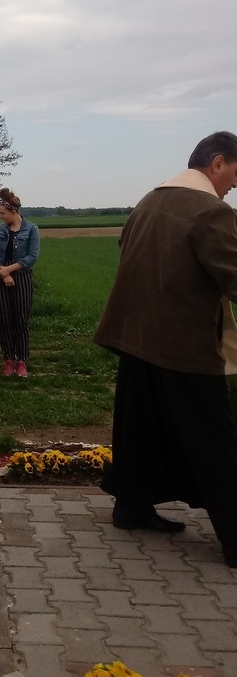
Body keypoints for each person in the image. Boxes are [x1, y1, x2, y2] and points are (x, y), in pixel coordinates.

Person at [94, 132, 237, 564]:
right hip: (181, 342)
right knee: (214, 439)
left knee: (141, 426)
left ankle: (132, 507)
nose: (234, 185)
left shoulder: (149, 201)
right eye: (235, 173)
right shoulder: (211, 211)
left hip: (135, 334)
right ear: (217, 163)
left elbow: (127, 250)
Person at [0, 188, 40, 378]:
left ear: (13, 211)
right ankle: (8, 359)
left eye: (2, 213)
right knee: (4, 319)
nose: (0, 216)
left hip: (21, 277)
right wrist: (3, 272)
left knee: (20, 320)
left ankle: (22, 361)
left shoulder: (31, 229)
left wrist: (10, 270)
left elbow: (32, 256)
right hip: (0, 276)